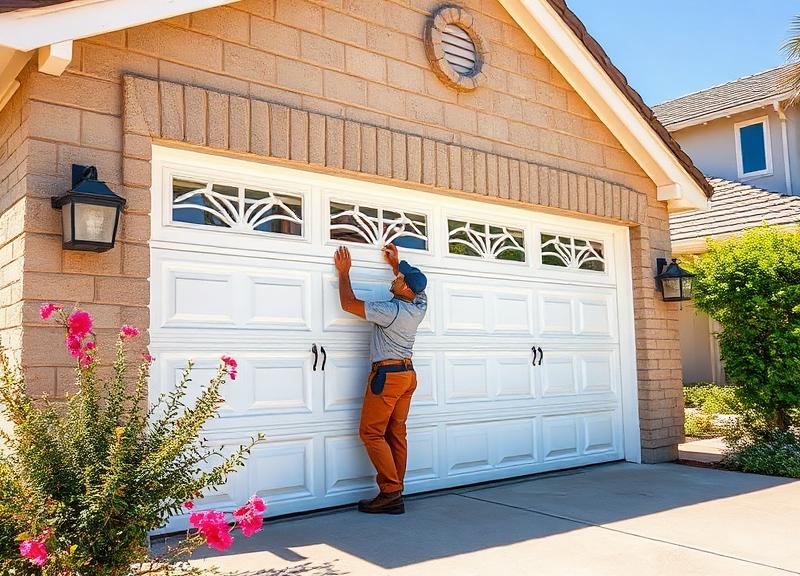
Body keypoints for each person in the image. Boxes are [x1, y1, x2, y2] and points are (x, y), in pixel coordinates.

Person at [333, 243, 428, 515]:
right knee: (396, 432)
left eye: (399, 278)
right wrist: (396, 264)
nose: (395, 279)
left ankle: (390, 492)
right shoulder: (420, 303)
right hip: (407, 375)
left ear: (405, 288)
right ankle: (396, 489)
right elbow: (416, 284)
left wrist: (344, 272)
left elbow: (348, 303)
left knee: (371, 432)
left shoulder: (391, 311)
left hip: (388, 377)